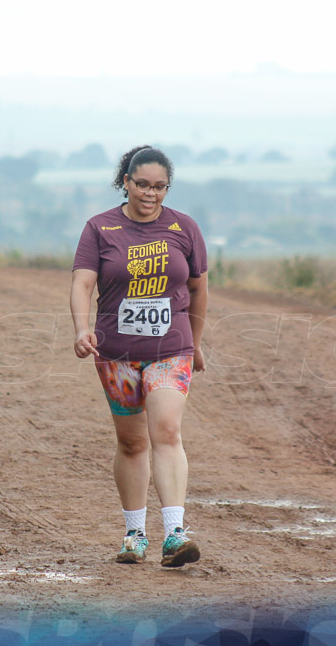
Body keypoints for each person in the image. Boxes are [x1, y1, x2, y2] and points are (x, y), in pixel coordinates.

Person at [70, 145, 208, 567]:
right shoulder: (100, 228)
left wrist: (196, 343)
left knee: (166, 430)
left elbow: (200, 289)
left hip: (172, 350)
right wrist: (81, 328)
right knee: (131, 443)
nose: (151, 194)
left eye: (160, 186)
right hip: (116, 355)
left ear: (168, 187)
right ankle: (134, 535)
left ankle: (174, 534)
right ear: (125, 182)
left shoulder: (184, 228)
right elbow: (82, 284)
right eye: (142, 184)